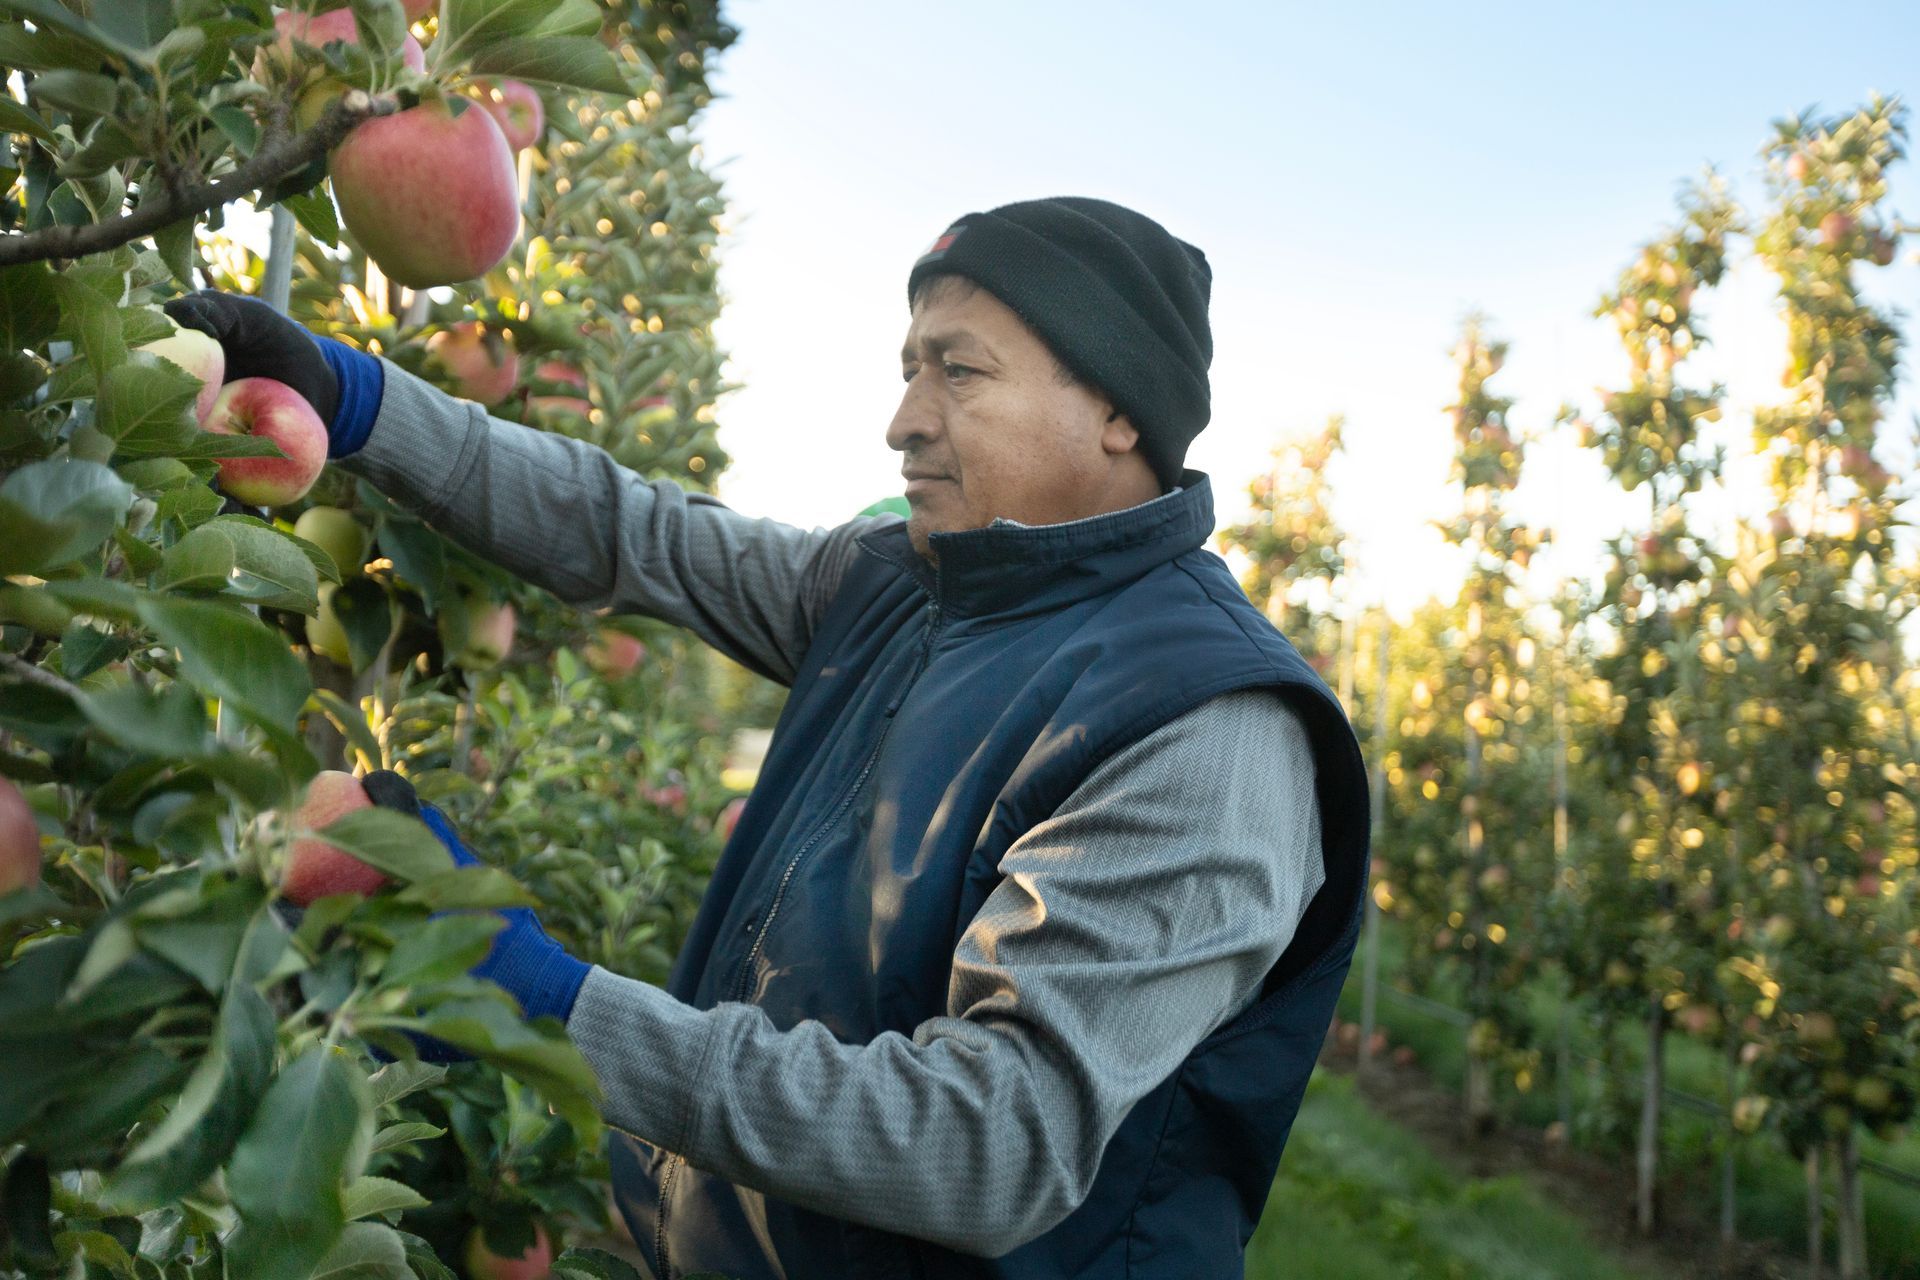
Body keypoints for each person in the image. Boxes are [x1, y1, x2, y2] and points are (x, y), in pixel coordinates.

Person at [169, 196, 1371, 1280]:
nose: (904, 421)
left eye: (959, 372)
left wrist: (544, 998)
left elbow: (989, 1140)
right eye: (909, 369)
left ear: (1117, 410)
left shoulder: (1206, 726)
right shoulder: (905, 582)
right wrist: (358, 400)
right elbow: (631, 530)